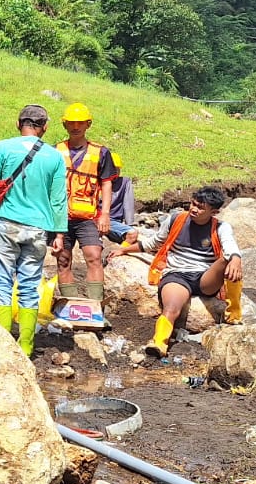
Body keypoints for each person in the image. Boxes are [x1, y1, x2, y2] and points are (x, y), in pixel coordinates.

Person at [0, 104, 67, 356]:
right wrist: (59, 234)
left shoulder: (3, 147)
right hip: (37, 230)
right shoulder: (54, 156)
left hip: (6, 225)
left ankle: (2, 349)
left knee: (0, 283)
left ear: (18, 123)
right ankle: (26, 346)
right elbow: (58, 199)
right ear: (44, 127)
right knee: (30, 285)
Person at [109, 186, 244, 358]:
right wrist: (125, 250)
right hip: (177, 275)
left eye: (200, 207)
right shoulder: (176, 220)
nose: (194, 209)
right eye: (193, 204)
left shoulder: (221, 227)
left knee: (229, 260)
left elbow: (231, 247)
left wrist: (236, 259)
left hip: (205, 277)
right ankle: (159, 343)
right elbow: (153, 243)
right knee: (172, 308)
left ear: (214, 212)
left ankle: (233, 314)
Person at [52, 103, 120, 303]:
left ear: (88, 124)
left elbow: (107, 184)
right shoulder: (55, 151)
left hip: (88, 216)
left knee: (94, 256)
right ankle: (70, 304)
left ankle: (95, 304)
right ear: (65, 125)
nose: (75, 127)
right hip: (60, 216)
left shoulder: (101, 153)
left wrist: (105, 214)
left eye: (80, 123)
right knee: (63, 260)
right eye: (71, 123)